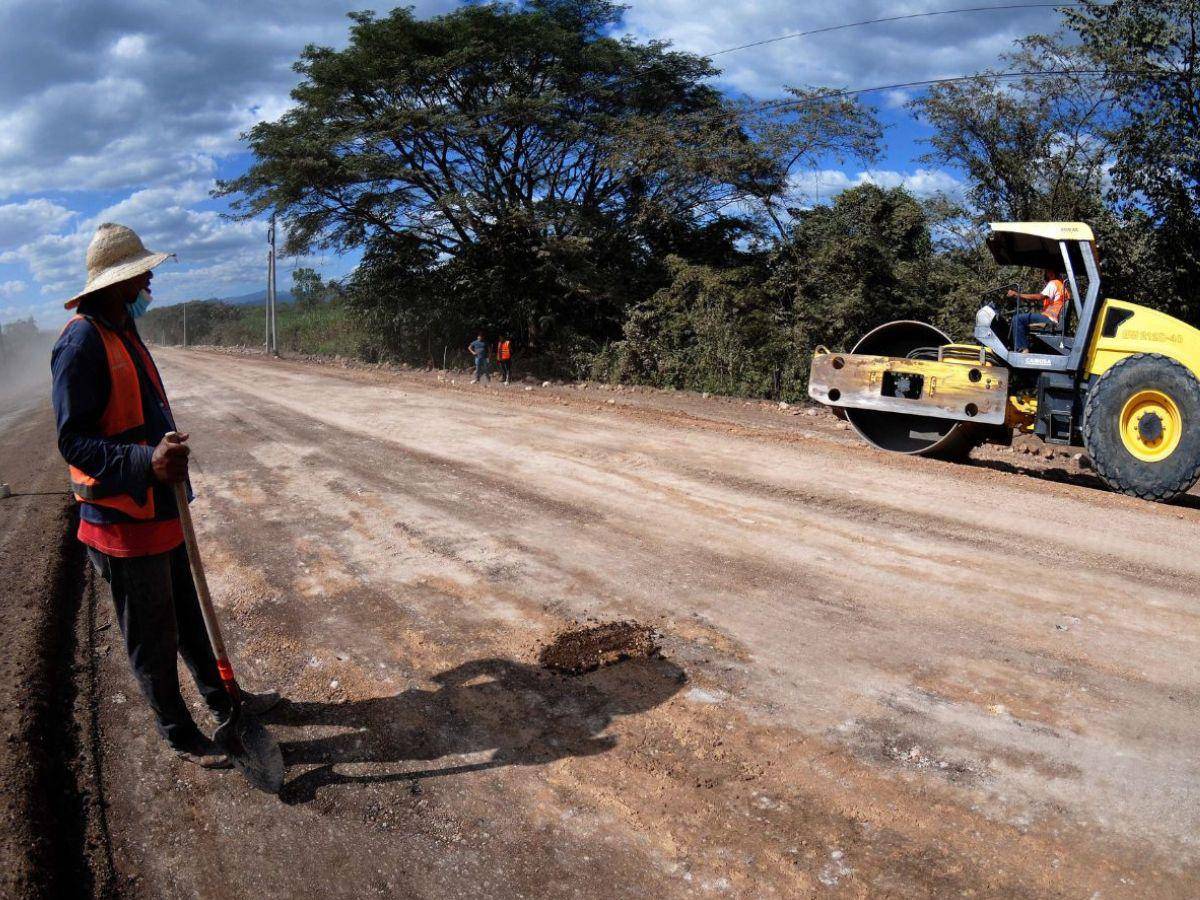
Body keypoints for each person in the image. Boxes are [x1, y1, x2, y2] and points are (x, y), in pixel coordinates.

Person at [51, 223, 278, 770]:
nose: (149, 278)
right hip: (121, 525)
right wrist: (143, 460)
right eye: (140, 273)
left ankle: (226, 703)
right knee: (153, 640)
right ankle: (178, 733)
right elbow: (72, 439)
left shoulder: (123, 326)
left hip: (160, 512)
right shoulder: (80, 341)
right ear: (114, 282)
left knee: (189, 620)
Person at [1007, 268, 1070, 352]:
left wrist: (1017, 294)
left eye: (1047, 272)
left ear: (1051, 273)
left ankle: (1023, 348)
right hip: (1054, 319)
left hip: (1049, 319)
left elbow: (1039, 297)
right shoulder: (1063, 287)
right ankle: (1026, 345)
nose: (1045, 275)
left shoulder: (1054, 283)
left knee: (1017, 319)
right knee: (1022, 320)